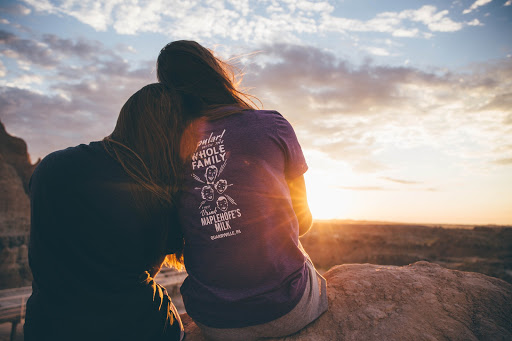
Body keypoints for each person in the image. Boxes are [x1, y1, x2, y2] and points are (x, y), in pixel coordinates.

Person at [157, 40, 328, 340]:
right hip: (286, 311)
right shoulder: (272, 124)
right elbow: (303, 223)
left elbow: (174, 238)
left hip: (215, 321)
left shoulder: (169, 149)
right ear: (216, 73)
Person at [24, 84, 185, 341]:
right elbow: (149, 267)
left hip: (47, 327)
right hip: (138, 328)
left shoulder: (52, 166)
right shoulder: (155, 191)